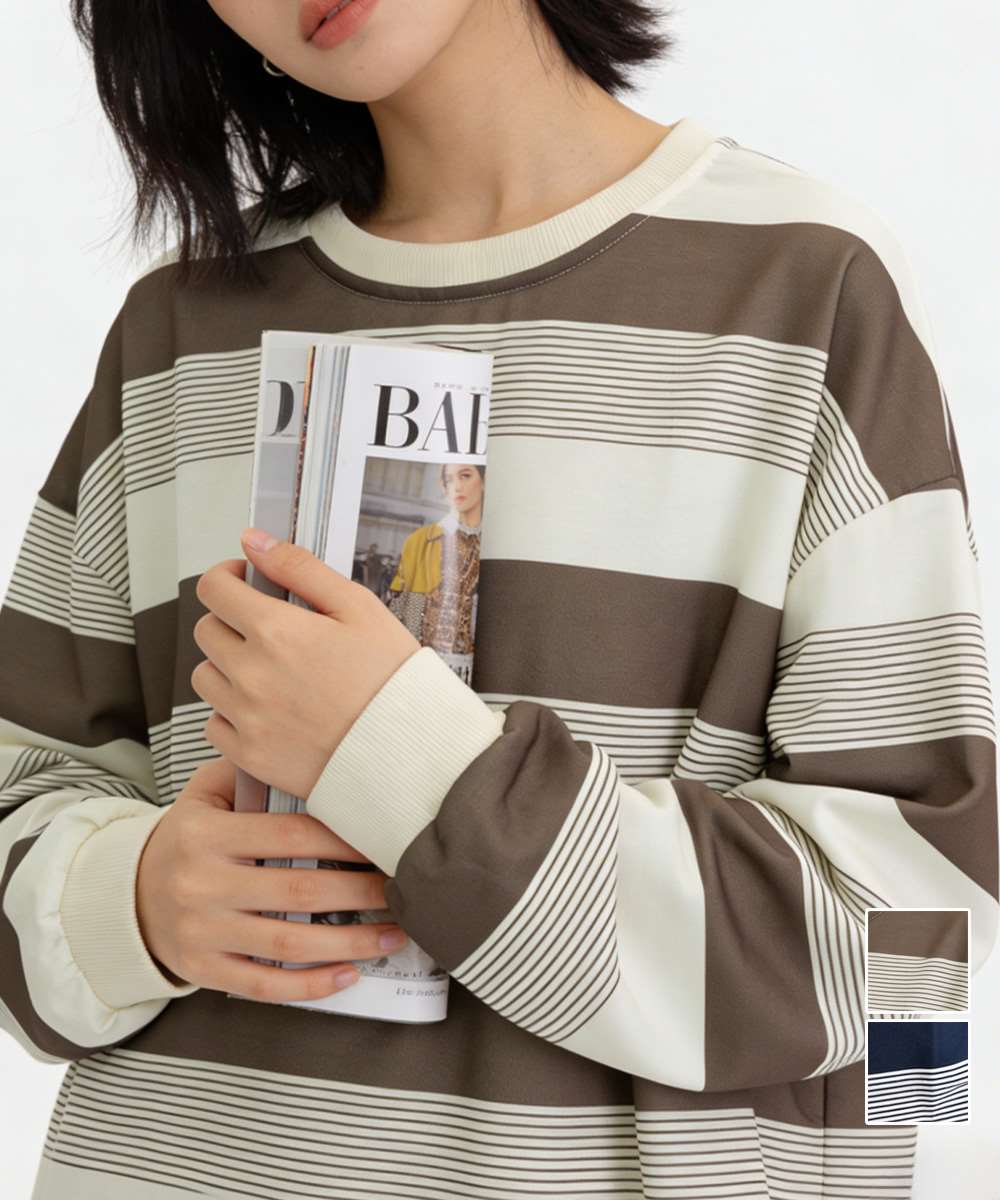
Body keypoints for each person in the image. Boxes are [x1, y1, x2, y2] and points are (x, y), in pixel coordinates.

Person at [1, 1, 995, 1197]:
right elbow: (24, 805)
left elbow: (921, 988)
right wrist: (133, 902)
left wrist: (416, 771)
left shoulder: (808, 286)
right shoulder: (177, 327)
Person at [386, 462, 485, 681]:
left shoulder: (496, 545)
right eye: (449, 480)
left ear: (484, 482)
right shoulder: (422, 540)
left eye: (465, 476)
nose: (456, 486)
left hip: (479, 670)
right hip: (424, 665)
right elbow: (406, 606)